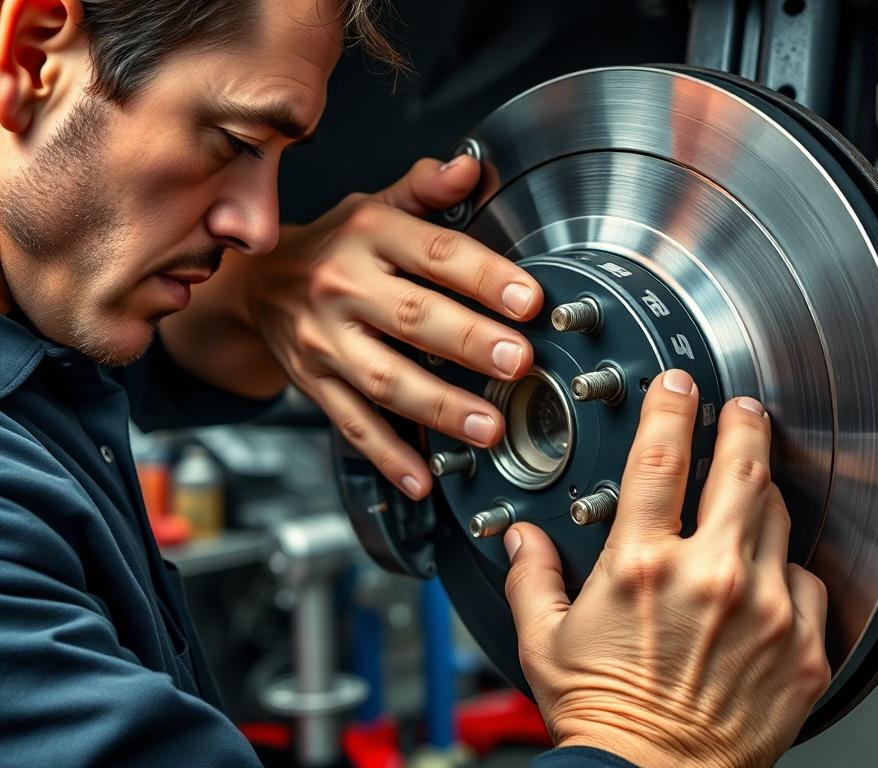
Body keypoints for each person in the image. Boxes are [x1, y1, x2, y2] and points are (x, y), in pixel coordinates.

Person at [0, 0, 830, 766]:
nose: (258, 226)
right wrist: (648, 737)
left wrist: (261, 292)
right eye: (236, 143)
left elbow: (150, 367)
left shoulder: (42, 351)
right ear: (33, 53)